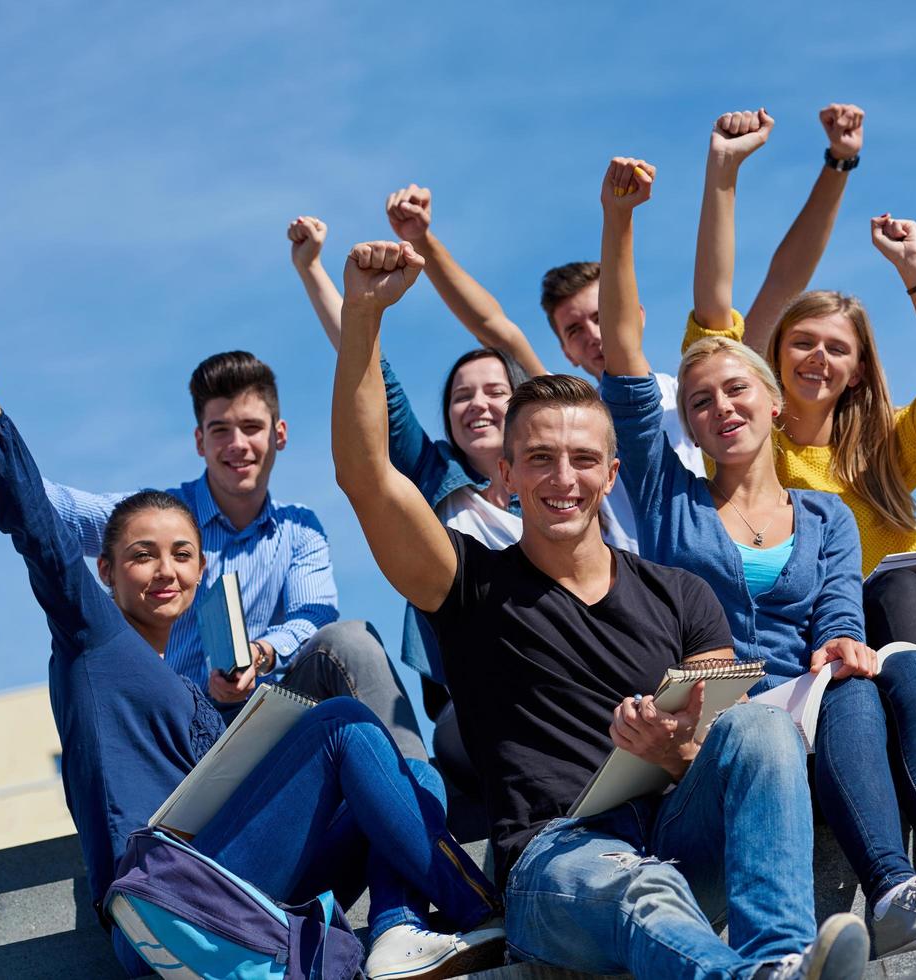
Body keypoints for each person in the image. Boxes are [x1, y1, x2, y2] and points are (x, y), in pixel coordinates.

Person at [331, 237, 871, 980]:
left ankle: (776, 953)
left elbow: (716, 738)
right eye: (541, 459)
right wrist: (361, 315)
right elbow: (365, 475)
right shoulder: (464, 582)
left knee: (757, 723)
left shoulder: (680, 594)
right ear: (507, 474)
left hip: (677, 837)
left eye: (583, 460)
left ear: (610, 471)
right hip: (558, 864)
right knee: (637, 884)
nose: (564, 477)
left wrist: (671, 751)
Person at [0, 308, 503, 980]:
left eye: (181, 555)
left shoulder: (194, 689)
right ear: (105, 570)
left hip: (240, 876)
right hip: (167, 897)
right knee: (343, 724)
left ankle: (397, 926)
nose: (165, 570)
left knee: (416, 773)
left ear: (202, 572)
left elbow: (315, 616)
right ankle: (483, 907)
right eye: (142, 555)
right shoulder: (94, 641)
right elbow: (39, 523)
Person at [594, 156, 916, 957]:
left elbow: (837, 607)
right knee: (847, 689)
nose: (720, 408)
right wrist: (618, 221)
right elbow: (624, 355)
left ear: (771, 400)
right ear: (686, 427)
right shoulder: (669, 499)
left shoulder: (825, 513)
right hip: (728, 722)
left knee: (886, 667)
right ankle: (892, 883)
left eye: (735, 391)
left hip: (810, 696)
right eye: (699, 402)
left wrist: (841, 642)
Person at [0, 346, 425, 760]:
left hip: (273, 712)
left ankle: (421, 803)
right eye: (220, 430)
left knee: (351, 640)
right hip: (178, 726)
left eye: (251, 427)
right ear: (199, 440)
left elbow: (314, 619)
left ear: (279, 436)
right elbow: (52, 513)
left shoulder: (300, 529)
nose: (237, 444)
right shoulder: (154, 519)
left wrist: (259, 656)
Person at [378, 103, 866, 539]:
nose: (593, 333)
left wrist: (838, 165)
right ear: (565, 351)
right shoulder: (574, 414)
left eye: (600, 316)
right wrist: (424, 241)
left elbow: (783, 284)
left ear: (635, 315)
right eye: (574, 330)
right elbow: (496, 328)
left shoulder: (701, 388)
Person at [681, 109, 916, 721]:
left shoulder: (878, 445)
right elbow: (724, 305)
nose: (818, 357)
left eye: (838, 348)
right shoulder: (747, 442)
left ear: (858, 370)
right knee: (896, 588)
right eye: (802, 342)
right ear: (772, 357)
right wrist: (724, 175)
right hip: (835, 637)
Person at [290, 214, 525, 800]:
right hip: (476, 708)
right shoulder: (435, 477)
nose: (476, 405)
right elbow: (368, 365)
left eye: (495, 393)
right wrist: (314, 271)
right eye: (461, 396)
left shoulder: (573, 497)